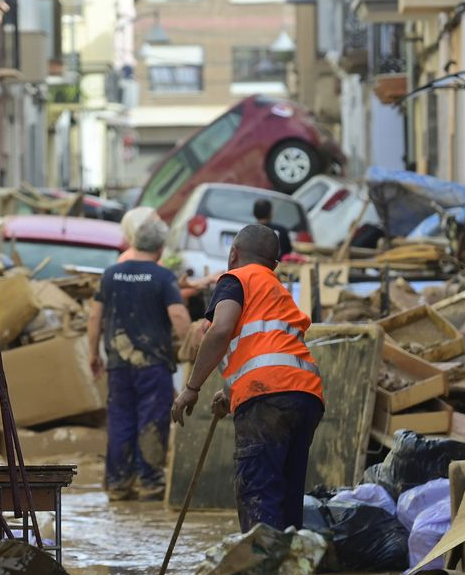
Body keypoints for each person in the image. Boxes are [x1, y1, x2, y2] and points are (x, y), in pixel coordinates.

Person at [171, 222, 324, 532]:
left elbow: (221, 330)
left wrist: (191, 388)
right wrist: (230, 394)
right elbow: (267, 349)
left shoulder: (235, 279)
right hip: (305, 397)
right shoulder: (277, 291)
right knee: (287, 499)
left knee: (260, 494)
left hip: (268, 398)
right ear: (275, 263)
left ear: (233, 254)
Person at [89, 217, 192, 501]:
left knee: (120, 419)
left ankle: (118, 484)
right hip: (153, 365)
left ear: (133, 243)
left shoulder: (111, 274)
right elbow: (179, 315)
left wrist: (92, 354)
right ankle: (150, 483)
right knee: (152, 419)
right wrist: (192, 349)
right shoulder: (163, 277)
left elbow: (95, 316)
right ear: (160, 248)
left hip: (118, 364)